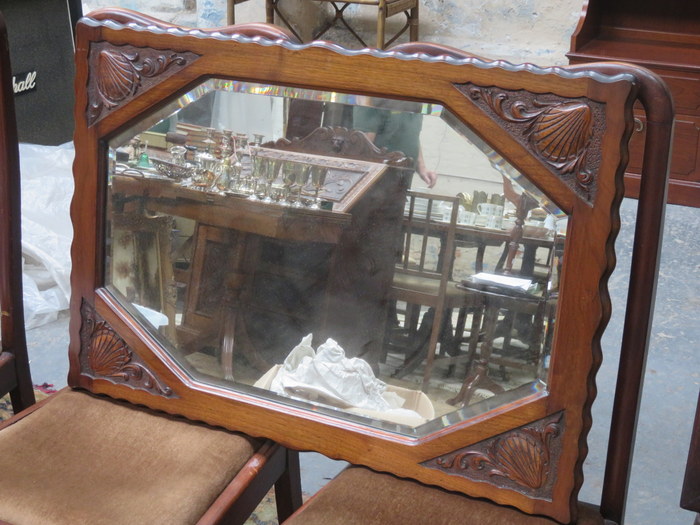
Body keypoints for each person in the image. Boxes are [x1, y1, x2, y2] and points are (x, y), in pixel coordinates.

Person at [353, 100, 437, 188]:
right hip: (378, 183)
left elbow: (411, 134)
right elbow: (362, 146)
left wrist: (422, 168)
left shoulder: (416, 100)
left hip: (403, 179)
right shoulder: (375, 97)